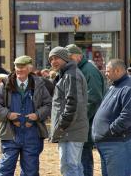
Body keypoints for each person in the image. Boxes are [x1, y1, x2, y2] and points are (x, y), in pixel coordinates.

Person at [0, 55, 52, 176]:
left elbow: (48, 104)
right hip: (10, 133)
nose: (19, 70)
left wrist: (37, 115)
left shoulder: (39, 85)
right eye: (17, 67)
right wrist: (8, 115)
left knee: (31, 171)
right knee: (5, 169)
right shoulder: (5, 84)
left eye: (22, 67)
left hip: (32, 134)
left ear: (30, 68)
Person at [66, 44, 106, 176]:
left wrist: (78, 120)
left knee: (84, 157)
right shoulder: (79, 69)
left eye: (70, 57)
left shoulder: (88, 70)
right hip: (83, 122)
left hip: (87, 122)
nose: (68, 60)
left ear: (78, 56)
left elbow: (93, 99)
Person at [48, 47, 89, 176]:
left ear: (65, 58)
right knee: (74, 166)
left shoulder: (71, 75)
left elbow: (73, 105)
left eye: (56, 58)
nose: (53, 61)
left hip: (70, 131)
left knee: (69, 167)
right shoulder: (66, 74)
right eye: (51, 59)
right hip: (69, 131)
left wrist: (60, 127)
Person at [92, 59, 131, 176]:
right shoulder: (114, 86)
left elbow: (127, 115)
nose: (105, 73)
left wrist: (111, 130)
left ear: (118, 70)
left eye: (108, 71)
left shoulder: (127, 88)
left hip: (117, 143)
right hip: (107, 143)